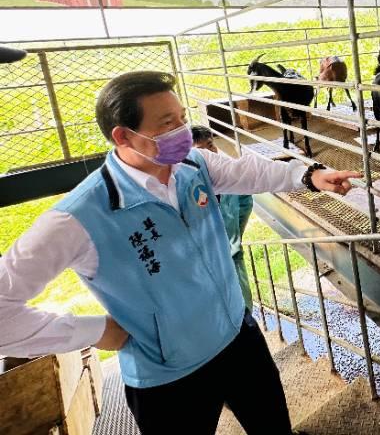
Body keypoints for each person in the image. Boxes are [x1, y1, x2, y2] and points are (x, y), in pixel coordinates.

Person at [0, 71, 359, 435]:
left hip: (238, 338)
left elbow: (246, 171)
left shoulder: (192, 165)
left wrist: (307, 175)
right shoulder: (78, 218)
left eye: (182, 119)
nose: (182, 132)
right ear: (124, 136)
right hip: (169, 377)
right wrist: (95, 331)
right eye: (167, 124)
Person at [191, 125, 254, 310]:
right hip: (206, 266)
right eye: (200, 151)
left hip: (232, 256)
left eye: (210, 145)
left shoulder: (227, 177)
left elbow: (245, 203)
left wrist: (234, 237)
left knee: (244, 307)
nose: (209, 153)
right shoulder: (186, 187)